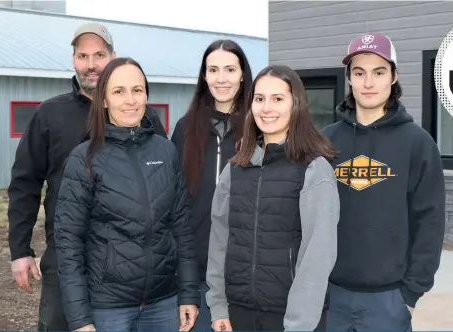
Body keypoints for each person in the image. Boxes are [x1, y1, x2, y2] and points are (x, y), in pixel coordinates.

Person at [6, 22, 168, 331]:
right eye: (83, 56)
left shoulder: (144, 117)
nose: (91, 65)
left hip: (127, 267)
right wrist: (20, 250)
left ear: (114, 56)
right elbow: (25, 185)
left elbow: (162, 187)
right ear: (73, 60)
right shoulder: (49, 115)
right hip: (66, 260)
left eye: (99, 54)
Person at [53, 57, 200, 331]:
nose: (130, 100)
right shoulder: (84, 158)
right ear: (104, 100)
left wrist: (189, 293)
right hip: (108, 309)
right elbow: (68, 241)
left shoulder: (165, 151)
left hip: (163, 303)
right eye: (119, 91)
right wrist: (79, 317)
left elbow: (182, 227)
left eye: (138, 90)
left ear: (146, 95)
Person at [320, 33, 446, 331]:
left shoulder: (418, 143)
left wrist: (411, 293)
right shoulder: (325, 142)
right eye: (359, 72)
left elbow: (430, 221)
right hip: (330, 295)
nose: (368, 82)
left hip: (389, 299)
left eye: (379, 72)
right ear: (349, 78)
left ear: (394, 76)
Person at [205, 64, 340, 332]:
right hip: (237, 313)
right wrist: (218, 305)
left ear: (296, 105)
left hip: (290, 317)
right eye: (259, 99)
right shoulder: (235, 168)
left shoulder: (314, 169)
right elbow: (219, 240)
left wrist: (299, 324)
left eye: (278, 99)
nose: (267, 108)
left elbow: (318, 253)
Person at [169, 39, 253, 331]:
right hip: (199, 273)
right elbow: (175, 205)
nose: (221, 78)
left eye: (230, 69)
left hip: (247, 273)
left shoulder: (259, 128)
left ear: (243, 74)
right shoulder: (185, 129)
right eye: (213, 70)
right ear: (203, 76)